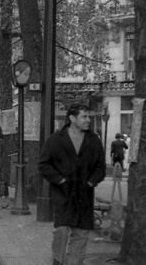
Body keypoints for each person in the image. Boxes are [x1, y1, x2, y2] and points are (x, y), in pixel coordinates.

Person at [39, 104, 106, 265]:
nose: (88, 120)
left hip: (84, 193)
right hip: (63, 193)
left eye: (89, 116)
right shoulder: (56, 139)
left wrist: (90, 182)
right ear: (72, 118)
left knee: (81, 233)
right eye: (84, 116)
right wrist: (60, 180)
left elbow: (100, 167)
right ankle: (58, 260)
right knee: (61, 230)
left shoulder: (93, 140)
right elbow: (44, 164)